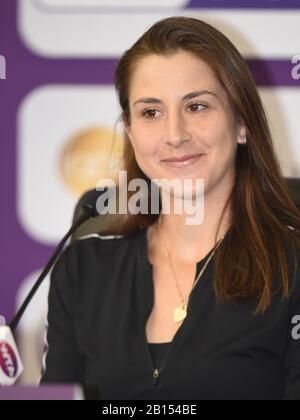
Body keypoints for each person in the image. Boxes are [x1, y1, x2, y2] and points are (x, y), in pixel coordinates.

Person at [41, 16, 300, 400]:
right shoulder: (81, 270)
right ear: (129, 130)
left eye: (196, 106)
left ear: (242, 122)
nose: (175, 135)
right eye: (151, 112)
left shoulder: (291, 265)